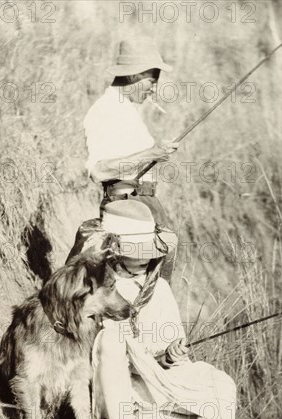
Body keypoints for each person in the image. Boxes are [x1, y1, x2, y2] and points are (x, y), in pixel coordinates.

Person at [84, 201, 237, 419]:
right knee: (111, 341)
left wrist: (172, 353)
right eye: (138, 253)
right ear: (116, 251)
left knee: (221, 385)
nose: (148, 260)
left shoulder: (160, 289)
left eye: (150, 253)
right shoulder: (97, 282)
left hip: (150, 381)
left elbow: (167, 359)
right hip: (112, 379)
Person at [81, 36, 179, 280]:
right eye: (151, 80)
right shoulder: (106, 110)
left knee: (156, 276)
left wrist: (154, 156)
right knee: (135, 286)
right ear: (135, 76)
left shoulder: (125, 110)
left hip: (142, 206)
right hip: (126, 211)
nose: (154, 88)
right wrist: (151, 153)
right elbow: (99, 171)